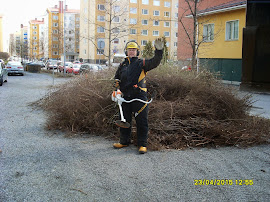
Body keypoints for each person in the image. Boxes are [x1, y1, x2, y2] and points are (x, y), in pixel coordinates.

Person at [113, 38, 164, 154]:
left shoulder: (142, 63)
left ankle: (142, 145)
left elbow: (155, 61)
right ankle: (124, 141)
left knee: (142, 122)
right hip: (125, 97)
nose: (132, 52)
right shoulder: (122, 65)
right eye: (130, 50)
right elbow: (117, 79)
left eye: (134, 50)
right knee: (124, 120)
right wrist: (116, 90)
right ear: (126, 51)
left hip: (139, 97)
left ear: (137, 52)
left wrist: (159, 51)